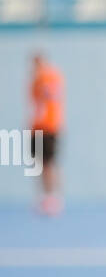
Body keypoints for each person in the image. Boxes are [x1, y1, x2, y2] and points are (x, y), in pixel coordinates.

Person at [28, 53, 65, 214]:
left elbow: (50, 96)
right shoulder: (36, 79)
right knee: (39, 163)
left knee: (49, 162)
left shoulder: (49, 76)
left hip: (49, 126)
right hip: (37, 127)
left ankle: (54, 197)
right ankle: (44, 196)